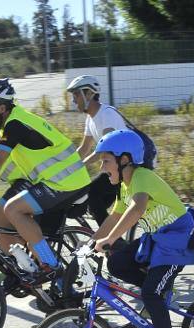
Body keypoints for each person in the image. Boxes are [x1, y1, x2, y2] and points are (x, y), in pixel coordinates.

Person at [90, 129, 194, 328]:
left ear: (124, 160)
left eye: (106, 161)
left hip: (177, 242)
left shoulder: (141, 177)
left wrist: (110, 239)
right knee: (116, 263)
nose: (102, 167)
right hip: (157, 240)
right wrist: (91, 242)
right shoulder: (124, 185)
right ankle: (157, 297)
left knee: (151, 293)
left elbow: (137, 208)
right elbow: (115, 216)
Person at [0, 78, 91, 286]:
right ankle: (31, 271)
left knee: (14, 210)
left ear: (1, 107)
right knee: (5, 215)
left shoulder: (16, 123)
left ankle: (51, 265)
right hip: (56, 181)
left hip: (66, 182)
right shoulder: (10, 122)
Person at [66, 74, 157, 224]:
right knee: (95, 203)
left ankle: (112, 242)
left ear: (89, 93)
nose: (74, 100)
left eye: (76, 94)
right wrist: (65, 166)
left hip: (134, 164)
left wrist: (78, 166)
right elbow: (84, 148)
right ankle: (111, 238)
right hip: (117, 165)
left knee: (93, 196)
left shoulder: (106, 114)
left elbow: (104, 149)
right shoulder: (91, 118)